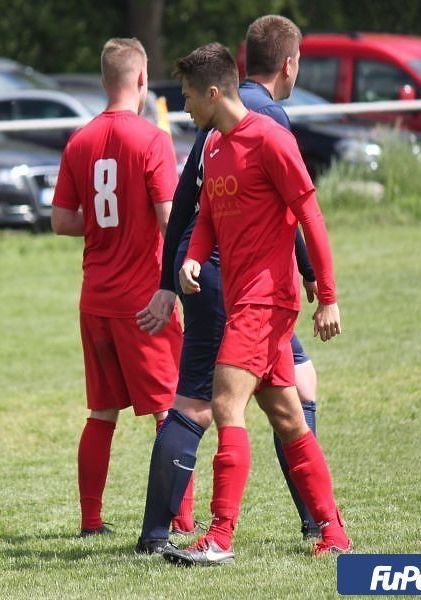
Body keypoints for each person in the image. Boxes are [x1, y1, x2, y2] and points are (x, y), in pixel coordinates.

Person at [135, 15, 323, 555]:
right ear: (288, 65)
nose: (189, 107)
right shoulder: (253, 120)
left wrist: (172, 272)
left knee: (278, 399)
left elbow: (191, 205)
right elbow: (290, 211)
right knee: (211, 402)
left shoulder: (225, 121)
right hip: (242, 284)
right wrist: (311, 274)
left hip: (232, 284)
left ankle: (324, 527)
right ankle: (224, 533)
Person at [52, 38, 183, 537]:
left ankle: (90, 520)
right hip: (144, 299)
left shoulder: (79, 141)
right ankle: (180, 518)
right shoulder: (151, 139)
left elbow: (62, 220)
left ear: (104, 81)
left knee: (101, 411)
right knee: (170, 408)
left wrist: (104, 221)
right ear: (143, 80)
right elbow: (168, 218)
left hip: (95, 299)